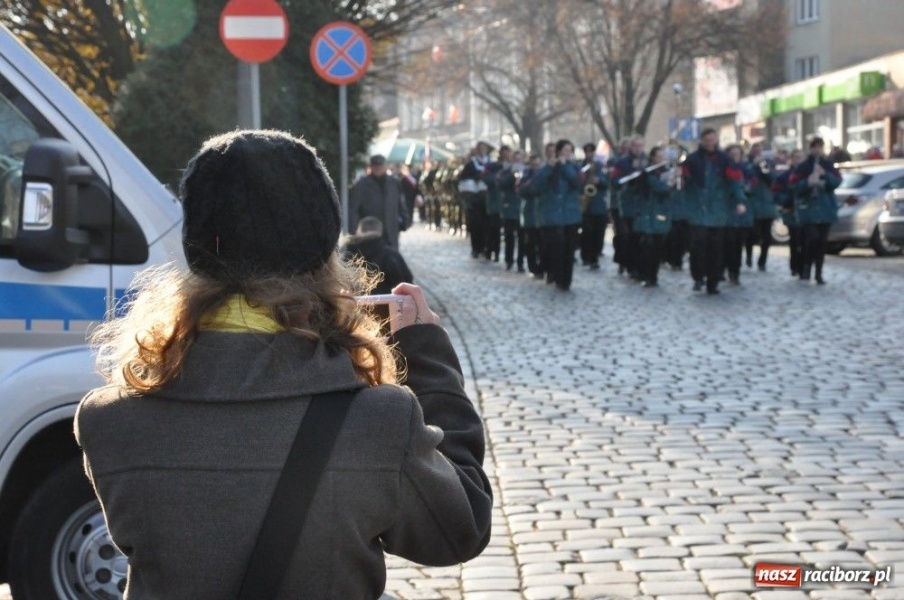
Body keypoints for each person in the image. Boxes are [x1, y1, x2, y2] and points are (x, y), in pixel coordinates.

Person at [74, 130, 493, 599]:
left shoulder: (109, 421)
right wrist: (428, 357)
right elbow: (461, 528)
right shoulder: (379, 422)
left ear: (197, 247)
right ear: (321, 249)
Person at [682, 128, 746, 295]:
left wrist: (739, 201)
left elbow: (734, 182)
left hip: (718, 210)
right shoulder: (692, 159)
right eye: (707, 140)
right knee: (697, 247)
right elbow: (684, 183)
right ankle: (698, 277)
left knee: (716, 248)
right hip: (698, 210)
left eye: (712, 140)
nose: (710, 143)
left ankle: (713, 281)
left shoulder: (725, 160)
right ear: (703, 141)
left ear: (716, 140)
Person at [790, 136, 841, 284]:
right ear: (811, 148)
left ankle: (818, 272)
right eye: (814, 146)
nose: (817, 149)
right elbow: (794, 186)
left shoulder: (828, 164)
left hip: (825, 209)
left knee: (822, 243)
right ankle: (806, 266)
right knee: (812, 239)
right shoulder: (803, 166)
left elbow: (837, 181)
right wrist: (807, 182)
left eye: (820, 146)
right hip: (808, 209)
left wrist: (826, 175)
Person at [534, 139, 582, 291]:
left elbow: (578, 184)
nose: (567, 154)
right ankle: (557, 276)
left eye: (569, 151)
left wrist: (565, 166)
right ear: (558, 152)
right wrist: (550, 166)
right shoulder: (548, 168)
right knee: (557, 247)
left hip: (570, 214)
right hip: (553, 215)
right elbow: (537, 184)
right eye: (564, 151)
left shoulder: (573, 167)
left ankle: (566, 280)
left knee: (569, 249)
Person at [349, 154, 409, 249]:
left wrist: (404, 221)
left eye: (380, 166)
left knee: (391, 259)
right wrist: (354, 229)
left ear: (385, 166)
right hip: (370, 232)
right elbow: (354, 209)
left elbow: (401, 203)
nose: (378, 168)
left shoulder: (394, 183)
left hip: (391, 230)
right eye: (375, 166)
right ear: (371, 167)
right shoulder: (362, 184)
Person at [633, 146, 672, 287]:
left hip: (661, 212)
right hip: (648, 213)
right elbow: (661, 188)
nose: (662, 158)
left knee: (658, 246)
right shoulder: (648, 173)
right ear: (653, 158)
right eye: (659, 156)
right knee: (648, 245)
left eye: (663, 156)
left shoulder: (667, 171)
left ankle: (653, 275)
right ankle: (646, 274)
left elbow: (670, 189)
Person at [344, 216, 414, 295]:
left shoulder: (348, 256)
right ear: (380, 232)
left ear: (359, 231)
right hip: (389, 305)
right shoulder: (392, 256)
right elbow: (407, 283)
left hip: (356, 305)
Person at [610, 135, 648, 280]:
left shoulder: (647, 161)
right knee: (631, 237)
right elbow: (614, 181)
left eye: (640, 146)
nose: (638, 149)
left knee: (643, 238)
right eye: (635, 146)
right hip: (629, 204)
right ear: (631, 147)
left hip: (644, 205)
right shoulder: (622, 163)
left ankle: (642, 267)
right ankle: (632, 267)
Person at [773, 149, 805, 277]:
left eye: (800, 157)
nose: (798, 160)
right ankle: (795, 266)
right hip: (791, 212)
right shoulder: (784, 176)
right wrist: (786, 200)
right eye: (796, 157)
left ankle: (804, 267)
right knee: (795, 241)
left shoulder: (808, 174)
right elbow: (776, 194)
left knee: (806, 241)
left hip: (806, 213)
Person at [723, 144, 753, 285]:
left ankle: (735, 272)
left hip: (742, 213)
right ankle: (726, 269)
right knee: (726, 244)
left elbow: (754, 185)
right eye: (732, 153)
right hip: (726, 213)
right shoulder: (724, 169)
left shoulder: (746, 169)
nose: (735, 156)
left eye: (737, 153)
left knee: (737, 245)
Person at [459, 141, 493, 258]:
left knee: (488, 224)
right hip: (475, 197)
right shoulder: (471, 164)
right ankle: (476, 248)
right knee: (476, 224)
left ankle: (487, 248)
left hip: (488, 197)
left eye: (484, 148)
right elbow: (463, 178)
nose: (482, 150)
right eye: (480, 148)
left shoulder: (491, 163)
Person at [579, 142, 610, 271]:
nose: (589, 154)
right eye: (587, 152)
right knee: (586, 233)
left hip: (598, 204)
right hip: (585, 205)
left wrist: (599, 181)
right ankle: (586, 257)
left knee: (598, 233)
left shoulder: (600, 166)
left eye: (591, 152)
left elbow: (607, 182)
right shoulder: (580, 166)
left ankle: (595, 257)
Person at [746, 143, 776, 271]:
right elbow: (746, 176)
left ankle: (762, 261)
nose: (758, 153)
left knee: (767, 237)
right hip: (752, 205)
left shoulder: (766, 164)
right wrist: (753, 165)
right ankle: (748, 255)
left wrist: (763, 166)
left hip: (767, 204)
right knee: (752, 234)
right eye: (755, 150)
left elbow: (772, 179)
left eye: (760, 151)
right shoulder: (747, 163)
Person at [501, 150, 525, 271]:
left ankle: (520, 262)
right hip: (509, 207)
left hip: (521, 208)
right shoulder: (506, 171)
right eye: (515, 159)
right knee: (509, 236)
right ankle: (509, 260)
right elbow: (501, 184)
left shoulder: (526, 171)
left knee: (522, 238)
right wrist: (511, 175)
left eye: (519, 159)